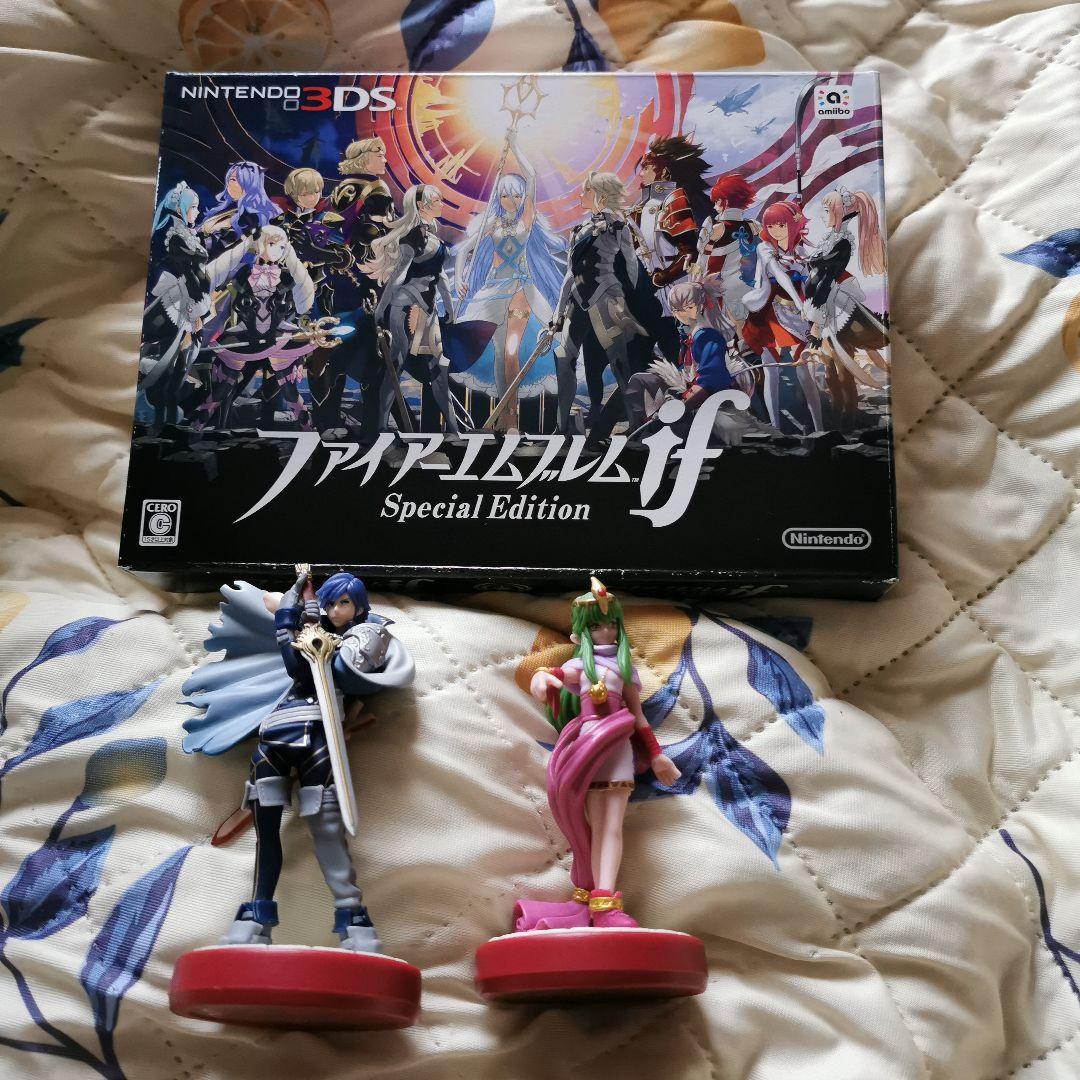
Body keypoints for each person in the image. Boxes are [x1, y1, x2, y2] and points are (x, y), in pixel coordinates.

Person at [181, 568, 415, 950]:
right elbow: (296, 668)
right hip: (275, 732)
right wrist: (292, 612)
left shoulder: (367, 634)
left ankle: (353, 918)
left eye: (344, 603)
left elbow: (341, 671)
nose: (335, 610)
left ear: (358, 607)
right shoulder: (306, 627)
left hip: (319, 737)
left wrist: (311, 635)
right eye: (330, 602)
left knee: (327, 828)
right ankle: (255, 916)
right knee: (266, 832)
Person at [514, 579, 681, 931]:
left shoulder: (624, 669)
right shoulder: (580, 666)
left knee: (611, 826)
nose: (605, 632)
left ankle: (605, 901)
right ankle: (586, 896)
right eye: (595, 627)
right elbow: (552, 674)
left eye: (610, 624)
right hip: (587, 750)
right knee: (584, 825)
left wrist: (656, 756)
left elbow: (638, 717)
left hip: (617, 747)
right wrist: (541, 679)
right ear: (581, 634)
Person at [452, 130, 565, 432]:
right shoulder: (492, 222)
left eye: (516, 195)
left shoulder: (527, 218)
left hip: (519, 289)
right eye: (505, 194)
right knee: (497, 355)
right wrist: (460, 279)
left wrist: (515, 146)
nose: (511, 199)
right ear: (498, 197)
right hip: (492, 292)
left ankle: (510, 418)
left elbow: (532, 176)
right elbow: (463, 250)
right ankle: (503, 415)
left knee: (511, 352)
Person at [364, 184, 462, 435]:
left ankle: (452, 429)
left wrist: (449, 306)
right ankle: (380, 426)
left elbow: (440, 276)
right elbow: (398, 275)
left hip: (428, 310)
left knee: (439, 369)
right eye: (436, 200)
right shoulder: (413, 238)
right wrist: (381, 308)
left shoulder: (435, 240)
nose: (441, 203)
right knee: (396, 364)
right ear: (421, 205)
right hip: (406, 306)